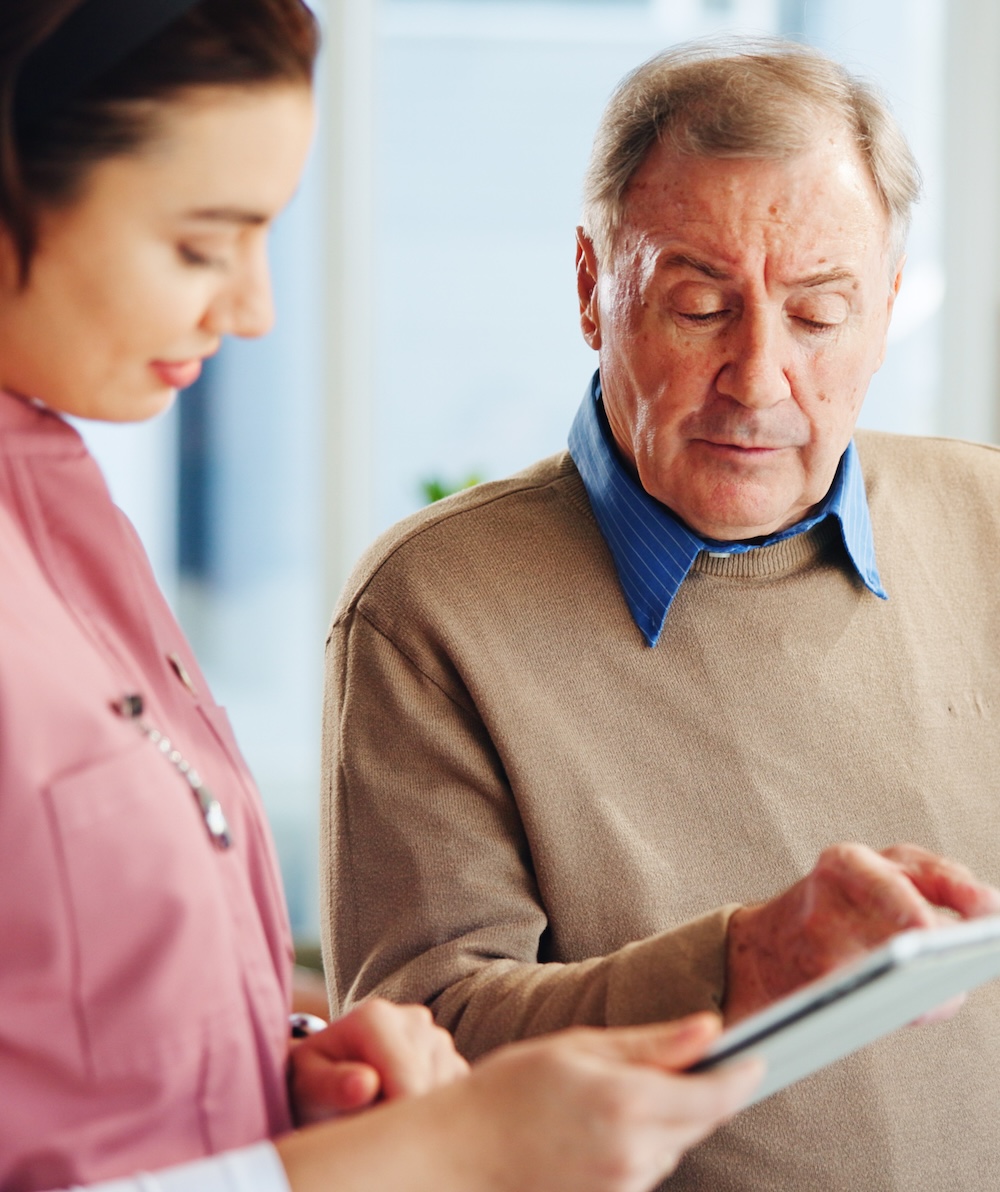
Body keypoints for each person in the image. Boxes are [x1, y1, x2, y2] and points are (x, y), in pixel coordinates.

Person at [0, 4, 765, 1191]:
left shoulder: (61, 493)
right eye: (203, 244)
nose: (250, 309)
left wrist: (279, 1076)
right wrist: (424, 1160)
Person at [322, 37, 1000, 1191]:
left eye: (819, 314)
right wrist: (743, 964)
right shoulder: (428, 609)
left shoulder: (984, 516)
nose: (756, 376)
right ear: (592, 289)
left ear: (886, 311)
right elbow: (425, 1055)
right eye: (698, 305)